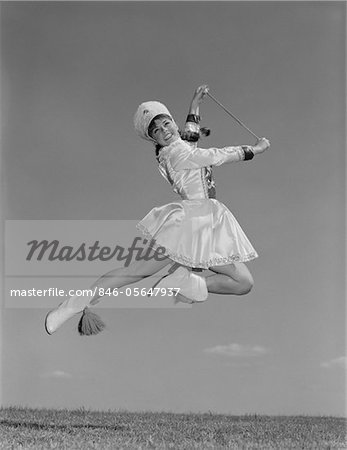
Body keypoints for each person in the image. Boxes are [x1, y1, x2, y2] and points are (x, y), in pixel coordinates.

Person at [45, 85, 270, 335]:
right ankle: (71, 306)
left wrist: (195, 105)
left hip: (208, 222)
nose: (164, 131)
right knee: (134, 273)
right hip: (191, 222)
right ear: (154, 138)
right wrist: (253, 150)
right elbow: (212, 155)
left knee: (243, 283)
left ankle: (186, 281)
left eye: (166, 124)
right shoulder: (175, 153)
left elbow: (191, 138)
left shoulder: (179, 147)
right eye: (157, 130)